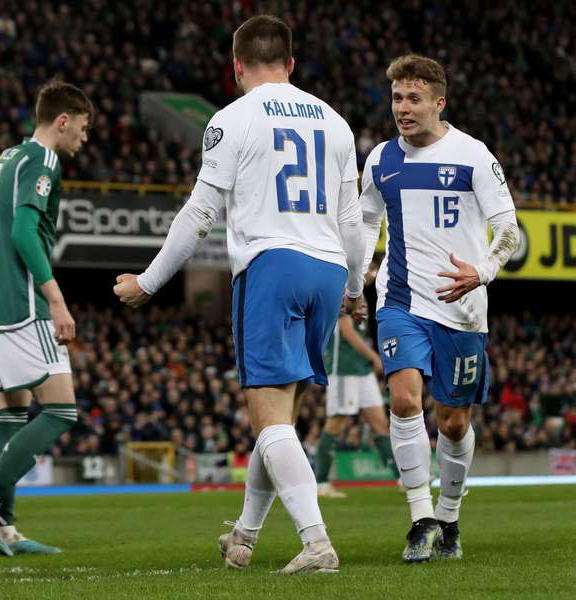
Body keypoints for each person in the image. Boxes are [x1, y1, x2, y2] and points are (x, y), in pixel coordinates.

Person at [113, 15, 365, 574]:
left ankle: (317, 541)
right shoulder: (337, 123)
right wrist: (354, 285)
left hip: (272, 265)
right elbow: (352, 220)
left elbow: (200, 213)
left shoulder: (230, 120)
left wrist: (149, 281)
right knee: (280, 423)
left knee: (269, 420)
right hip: (327, 270)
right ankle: (244, 538)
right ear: (292, 64)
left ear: (235, 67)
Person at [358, 54, 520, 562]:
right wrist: (360, 272)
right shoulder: (382, 159)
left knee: (452, 422)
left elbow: (509, 228)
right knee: (405, 400)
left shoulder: (473, 155)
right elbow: (365, 222)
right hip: (401, 298)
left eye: (414, 99)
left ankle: (449, 517)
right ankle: (420, 518)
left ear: (438, 102)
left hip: (462, 306)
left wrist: (482, 272)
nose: (403, 109)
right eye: (397, 99)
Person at [0, 82, 93, 557]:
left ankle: (5, 527)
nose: (84, 138)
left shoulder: (8, 157)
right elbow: (23, 231)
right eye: (83, 127)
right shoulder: (43, 160)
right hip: (23, 302)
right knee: (61, 410)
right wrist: (55, 298)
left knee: (9, 415)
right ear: (63, 121)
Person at [315, 304, 398, 499]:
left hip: (362, 370)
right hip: (344, 369)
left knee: (379, 423)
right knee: (336, 423)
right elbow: (348, 332)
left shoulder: (362, 294)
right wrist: (375, 357)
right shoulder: (345, 291)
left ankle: (402, 478)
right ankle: (322, 483)